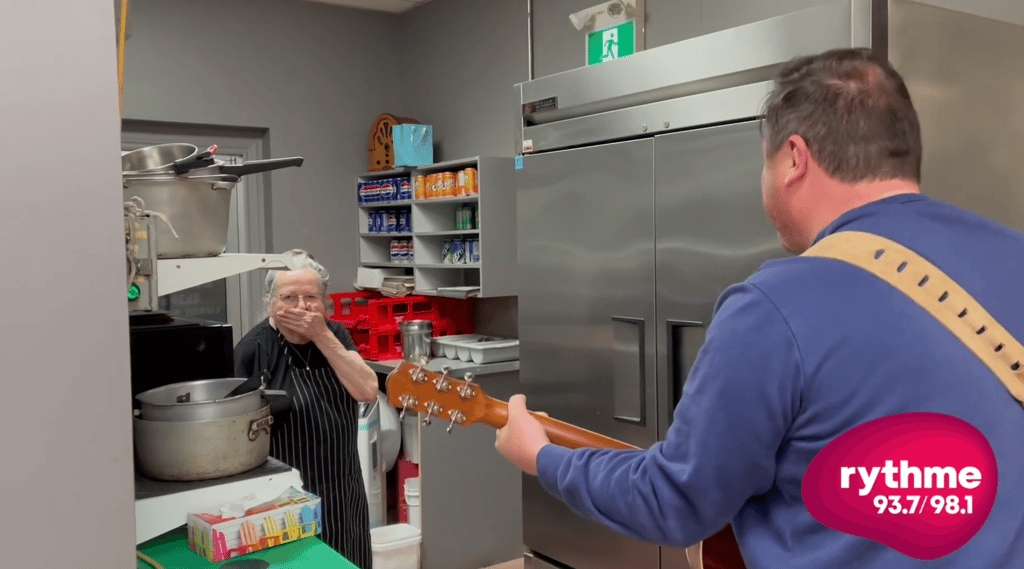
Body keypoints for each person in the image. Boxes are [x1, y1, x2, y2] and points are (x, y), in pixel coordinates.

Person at [496, 48, 1024, 568]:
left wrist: (543, 460)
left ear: (794, 158)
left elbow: (674, 501)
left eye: (765, 162)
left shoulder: (776, 305)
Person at [234, 250, 378, 568]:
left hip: (343, 489)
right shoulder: (252, 350)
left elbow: (367, 390)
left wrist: (321, 334)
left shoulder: (336, 335)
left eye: (311, 297)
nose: (301, 307)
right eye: (289, 297)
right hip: (283, 500)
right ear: (269, 300)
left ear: (325, 301)